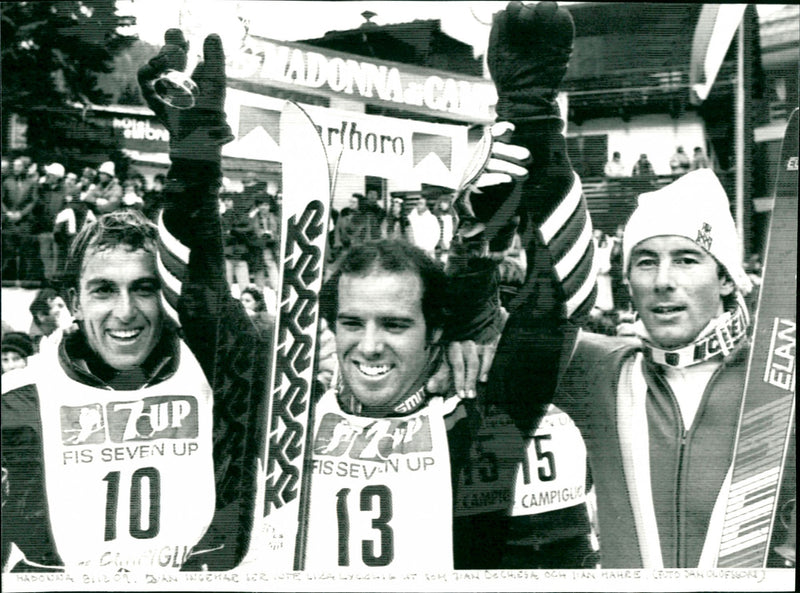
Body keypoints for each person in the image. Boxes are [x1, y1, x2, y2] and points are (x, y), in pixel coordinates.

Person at [137, 16, 593, 571]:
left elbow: (560, 303)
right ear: (330, 326)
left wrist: (533, 115)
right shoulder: (282, 413)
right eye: (352, 323)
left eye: (395, 324)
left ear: (436, 336)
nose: (369, 345)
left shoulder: (479, 433)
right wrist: (192, 167)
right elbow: (195, 298)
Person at [484, 162, 795, 567]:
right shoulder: (602, 373)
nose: (663, 280)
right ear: (628, 281)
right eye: (646, 261)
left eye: (686, 260)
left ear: (724, 279)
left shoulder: (778, 379)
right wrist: (478, 239)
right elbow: (492, 331)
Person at [1, 203, 266, 571]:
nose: (125, 311)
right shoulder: (15, 400)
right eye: (104, 290)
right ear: (75, 302)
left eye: (144, 289)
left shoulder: (219, 382)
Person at [2, 156, 40, 280]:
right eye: (14, 166)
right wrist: (6, 212)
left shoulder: (32, 183)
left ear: (25, 168)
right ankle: (9, 278)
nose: (16, 168)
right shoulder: (7, 182)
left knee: (25, 250)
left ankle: (24, 279)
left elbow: (33, 202)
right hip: (9, 220)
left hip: (25, 221)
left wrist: (21, 214)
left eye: (19, 166)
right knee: (9, 250)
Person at [34, 163, 67, 281]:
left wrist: (60, 226)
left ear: (57, 177)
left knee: (58, 256)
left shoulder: (64, 191)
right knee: (45, 255)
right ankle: (48, 279)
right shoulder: (42, 189)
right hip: (44, 228)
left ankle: (56, 280)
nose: (47, 176)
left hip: (58, 229)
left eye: (50, 174)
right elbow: (36, 204)